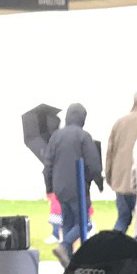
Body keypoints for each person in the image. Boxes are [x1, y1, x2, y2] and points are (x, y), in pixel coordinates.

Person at [42, 102, 102, 262]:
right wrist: (99, 182)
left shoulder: (56, 136)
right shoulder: (83, 136)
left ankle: (68, 262)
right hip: (78, 187)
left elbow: (47, 165)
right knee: (84, 222)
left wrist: (49, 188)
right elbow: (93, 163)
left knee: (67, 222)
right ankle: (64, 245)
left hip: (60, 188)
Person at [107, 95, 137, 232]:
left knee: (122, 219)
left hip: (120, 181)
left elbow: (110, 153)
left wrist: (110, 178)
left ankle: (114, 244)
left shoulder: (119, 123)